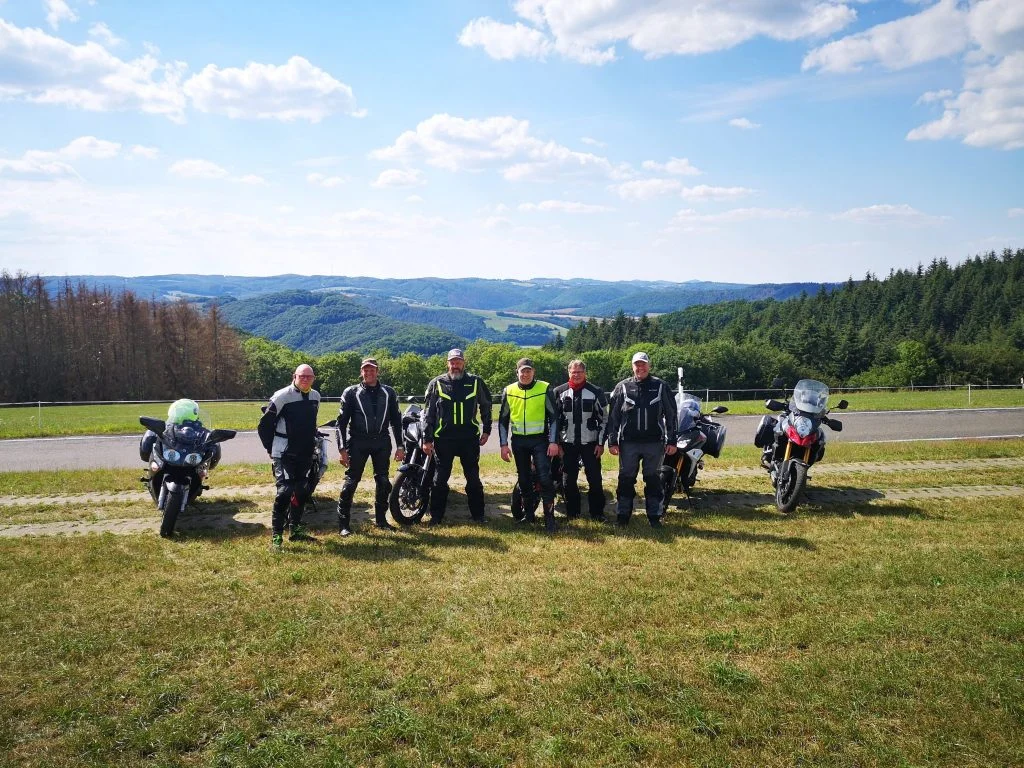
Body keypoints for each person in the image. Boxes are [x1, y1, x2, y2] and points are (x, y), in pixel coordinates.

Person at [421, 348, 493, 525]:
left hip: (469, 439)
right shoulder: (437, 383)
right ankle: (436, 517)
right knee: (439, 481)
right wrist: (427, 439)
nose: (455, 365)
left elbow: (486, 406)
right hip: (443, 439)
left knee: (473, 479)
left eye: (458, 362)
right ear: (447, 363)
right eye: (452, 362)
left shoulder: (476, 382)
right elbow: (428, 414)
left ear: (464, 362)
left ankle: (478, 515)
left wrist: (487, 429)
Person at [606, 352, 677, 528]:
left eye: (643, 364)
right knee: (626, 480)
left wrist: (672, 440)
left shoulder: (661, 386)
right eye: (637, 365)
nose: (640, 367)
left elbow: (671, 414)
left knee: (653, 479)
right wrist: (612, 441)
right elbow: (613, 417)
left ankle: (654, 517)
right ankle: (623, 516)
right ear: (632, 367)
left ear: (649, 366)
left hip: (654, 443)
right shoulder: (622, 387)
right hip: (628, 443)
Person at [335, 357, 405, 536]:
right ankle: (344, 524)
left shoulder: (389, 392)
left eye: (372, 369)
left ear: (377, 371)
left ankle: (381, 521)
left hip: (381, 441)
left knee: (383, 481)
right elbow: (341, 423)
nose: (368, 373)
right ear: (361, 372)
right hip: (358, 441)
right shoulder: (351, 393)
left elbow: (397, 421)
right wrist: (342, 450)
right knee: (351, 483)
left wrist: (400, 446)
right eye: (365, 370)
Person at [257, 363, 322, 551]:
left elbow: (310, 423)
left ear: (313, 378)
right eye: (302, 376)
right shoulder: (281, 396)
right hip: (284, 453)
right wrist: (270, 448)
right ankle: (276, 537)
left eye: (309, 377)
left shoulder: (315, 397)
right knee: (285, 492)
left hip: (305, 452)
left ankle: (296, 530)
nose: (305, 379)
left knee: (302, 490)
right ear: (294, 376)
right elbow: (264, 426)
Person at [499, 358, 560, 532]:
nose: (525, 374)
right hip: (519, 441)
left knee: (544, 478)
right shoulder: (509, 391)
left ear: (533, 372)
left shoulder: (544, 388)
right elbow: (503, 421)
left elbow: (554, 418)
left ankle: (550, 519)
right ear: (517, 372)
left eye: (529, 371)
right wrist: (503, 444)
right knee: (524, 479)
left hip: (540, 440)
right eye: (522, 371)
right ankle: (529, 516)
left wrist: (553, 441)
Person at [552, 359, 608, 522]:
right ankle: (573, 513)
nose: (576, 375)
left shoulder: (596, 391)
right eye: (573, 372)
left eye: (579, 372)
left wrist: (600, 443)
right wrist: (557, 443)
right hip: (567, 444)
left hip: (590, 444)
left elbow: (605, 418)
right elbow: (553, 420)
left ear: (585, 373)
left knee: (595, 480)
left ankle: (597, 513)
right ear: (568, 373)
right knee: (568, 481)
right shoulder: (559, 392)